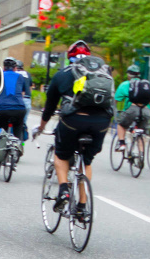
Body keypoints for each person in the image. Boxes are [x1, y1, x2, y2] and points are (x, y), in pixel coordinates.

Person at [33, 41, 111, 220]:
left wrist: (42, 127)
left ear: (70, 57)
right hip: (102, 122)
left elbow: (50, 107)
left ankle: (63, 191)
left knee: (61, 154)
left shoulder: (63, 74)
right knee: (87, 160)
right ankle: (83, 206)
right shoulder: (104, 72)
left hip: (73, 121)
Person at [114, 77, 150, 153]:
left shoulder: (127, 85)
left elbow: (116, 100)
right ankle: (141, 154)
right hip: (146, 111)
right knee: (142, 132)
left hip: (133, 109)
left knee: (121, 124)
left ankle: (121, 143)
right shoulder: (146, 85)